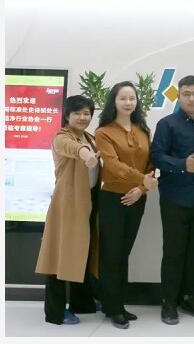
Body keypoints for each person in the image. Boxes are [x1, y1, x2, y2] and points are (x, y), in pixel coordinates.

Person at [150, 75, 194, 325]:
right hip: (175, 199)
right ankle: (169, 302)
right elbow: (156, 156)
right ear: (178, 96)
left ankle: (190, 297)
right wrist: (182, 165)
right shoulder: (166, 124)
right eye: (186, 94)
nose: (191, 98)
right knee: (173, 254)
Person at [95, 81, 158, 329]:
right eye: (123, 98)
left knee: (124, 253)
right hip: (113, 198)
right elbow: (112, 165)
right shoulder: (103, 132)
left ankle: (118, 304)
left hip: (137, 198)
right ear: (114, 101)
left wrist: (141, 189)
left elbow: (151, 165)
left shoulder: (143, 130)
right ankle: (112, 307)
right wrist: (141, 179)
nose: (128, 102)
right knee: (112, 254)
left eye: (132, 98)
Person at [35, 95, 101, 325]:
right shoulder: (62, 137)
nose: (83, 117)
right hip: (68, 205)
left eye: (87, 113)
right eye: (77, 113)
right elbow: (74, 149)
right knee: (59, 256)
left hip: (88, 203)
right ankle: (54, 312)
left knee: (82, 253)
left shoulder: (90, 137)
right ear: (67, 115)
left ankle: (82, 303)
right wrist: (86, 155)